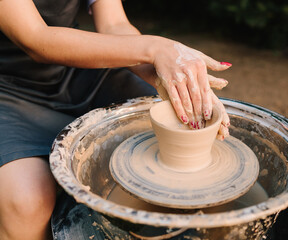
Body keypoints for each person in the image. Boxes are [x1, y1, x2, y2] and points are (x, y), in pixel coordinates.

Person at [0, 0, 231, 239]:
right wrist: (157, 48)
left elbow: (114, 24)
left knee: (175, 123)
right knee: (26, 202)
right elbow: (36, 39)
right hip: (7, 88)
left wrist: (171, 77)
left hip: (75, 67)